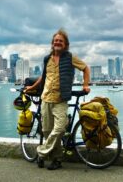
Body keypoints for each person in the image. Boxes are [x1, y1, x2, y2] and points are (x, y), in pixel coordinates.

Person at [24, 28, 90, 170]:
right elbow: (43, 77)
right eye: (55, 40)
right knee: (47, 131)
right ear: (52, 43)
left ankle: (41, 153)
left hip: (60, 100)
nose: (57, 42)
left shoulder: (70, 57)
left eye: (60, 41)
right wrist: (31, 88)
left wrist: (85, 85)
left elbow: (85, 68)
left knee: (59, 129)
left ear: (65, 44)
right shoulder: (47, 59)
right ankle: (57, 159)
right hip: (46, 99)